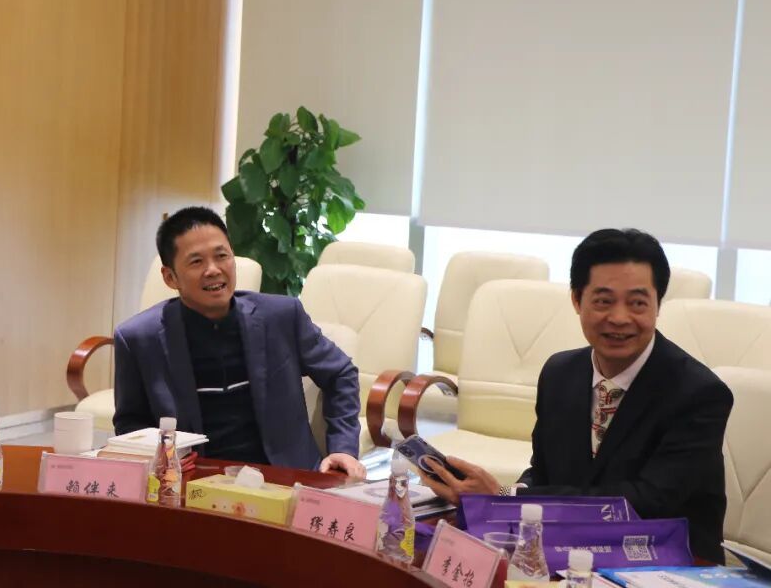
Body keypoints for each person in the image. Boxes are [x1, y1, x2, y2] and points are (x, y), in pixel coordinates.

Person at [419, 228, 733, 563]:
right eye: (603, 301)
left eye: (638, 303)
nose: (620, 318)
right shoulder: (560, 372)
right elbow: (543, 473)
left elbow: (646, 501)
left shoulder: (699, 393)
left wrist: (504, 496)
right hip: (570, 550)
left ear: (658, 306)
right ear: (576, 301)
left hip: (666, 560)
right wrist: (495, 497)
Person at [113, 206, 365, 478]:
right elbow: (130, 422)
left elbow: (340, 373)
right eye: (196, 262)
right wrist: (158, 462)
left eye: (222, 256)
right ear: (170, 277)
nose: (213, 270)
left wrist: (343, 449)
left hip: (285, 477)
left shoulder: (281, 317)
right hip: (194, 482)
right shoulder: (139, 338)